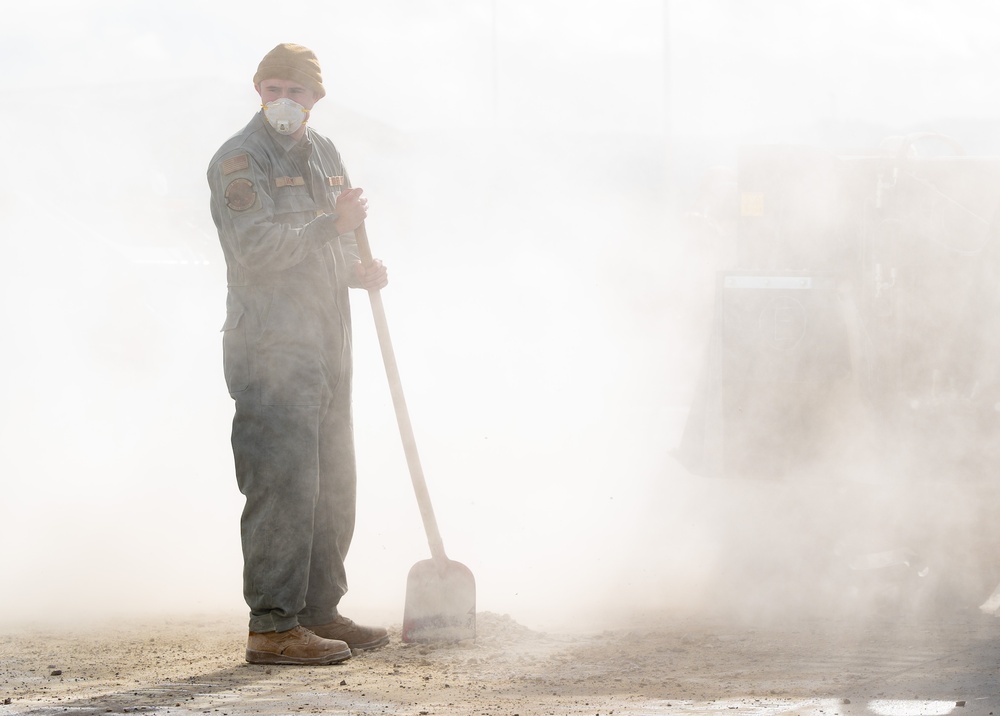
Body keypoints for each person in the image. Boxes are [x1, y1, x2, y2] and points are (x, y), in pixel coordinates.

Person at [207, 42, 390, 666]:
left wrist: (353, 270)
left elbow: (321, 252)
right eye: (273, 88)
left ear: (316, 98)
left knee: (333, 481)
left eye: (297, 91)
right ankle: (273, 625)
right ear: (258, 90)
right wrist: (330, 230)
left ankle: (319, 609)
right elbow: (256, 250)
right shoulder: (240, 159)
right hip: (271, 348)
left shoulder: (325, 152)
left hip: (325, 342)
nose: (285, 101)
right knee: (283, 482)